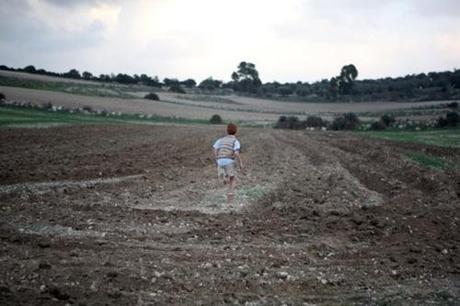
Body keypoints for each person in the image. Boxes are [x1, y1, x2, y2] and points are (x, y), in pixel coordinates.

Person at [213, 123, 244, 206]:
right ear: (236, 131)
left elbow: (215, 148)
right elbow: (236, 153)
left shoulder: (221, 139)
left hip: (220, 160)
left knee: (225, 175)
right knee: (232, 180)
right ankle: (229, 203)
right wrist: (240, 162)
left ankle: (224, 176)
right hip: (229, 160)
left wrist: (217, 158)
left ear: (227, 131)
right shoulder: (235, 141)